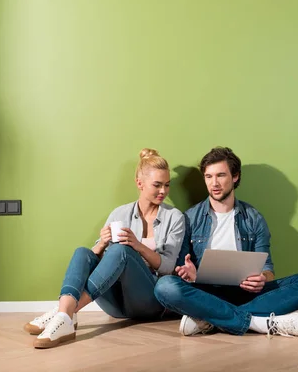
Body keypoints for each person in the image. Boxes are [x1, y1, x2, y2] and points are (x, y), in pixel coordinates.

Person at [154, 147, 298, 338]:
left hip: (247, 294)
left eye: (220, 175)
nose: (214, 183)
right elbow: (180, 268)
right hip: (205, 294)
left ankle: (212, 319)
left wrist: (262, 279)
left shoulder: (254, 218)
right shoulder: (190, 218)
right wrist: (192, 275)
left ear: (235, 176)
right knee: (165, 287)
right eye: (209, 177)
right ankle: (259, 323)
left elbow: (267, 268)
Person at [24, 148, 185, 349]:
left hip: (149, 301)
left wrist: (138, 245)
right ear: (139, 183)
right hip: (116, 304)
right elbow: (94, 260)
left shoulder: (175, 217)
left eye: (167, 185)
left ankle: (64, 313)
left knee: (121, 251)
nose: (164, 191)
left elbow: (168, 267)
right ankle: (66, 315)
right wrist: (101, 244)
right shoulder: (120, 213)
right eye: (157, 185)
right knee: (83, 252)